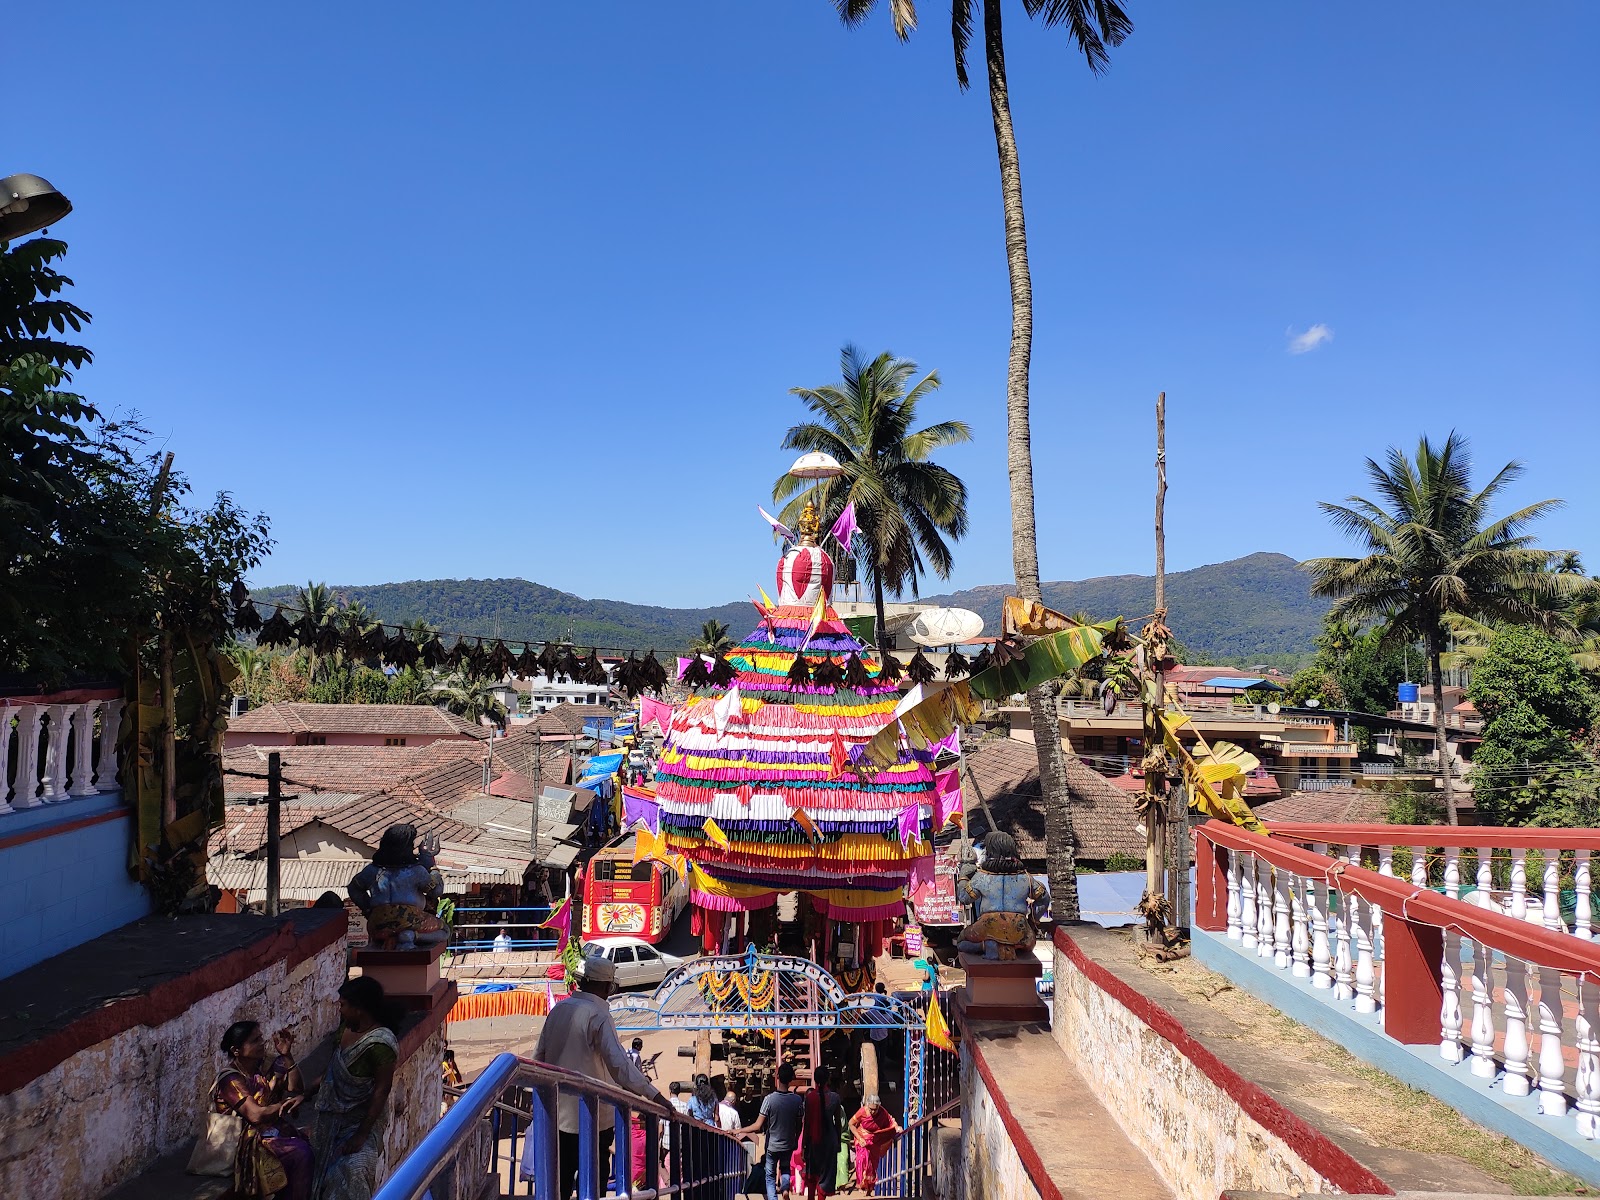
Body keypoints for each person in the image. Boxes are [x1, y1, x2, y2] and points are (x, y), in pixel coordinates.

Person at [525, 954, 666, 1198]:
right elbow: (620, 1066)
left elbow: (539, 1057)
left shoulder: (558, 1010)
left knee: (560, 1179)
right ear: (605, 986)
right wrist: (654, 1095)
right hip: (594, 1118)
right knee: (594, 1182)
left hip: (558, 1115)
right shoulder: (599, 1016)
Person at [309, 976, 401, 1200]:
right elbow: (333, 1072)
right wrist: (303, 1095)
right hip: (330, 1119)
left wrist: (361, 1135)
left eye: (343, 1005)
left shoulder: (380, 1043)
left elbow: (381, 1091)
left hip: (360, 1122)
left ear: (359, 1009)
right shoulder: (345, 1031)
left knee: (354, 1170)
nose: (340, 1010)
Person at [215, 1020, 313, 1200]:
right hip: (246, 1141)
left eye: (260, 1038)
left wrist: (288, 1056)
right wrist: (282, 1105)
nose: (262, 1043)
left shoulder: (266, 1066)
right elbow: (255, 1114)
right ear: (236, 1051)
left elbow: (296, 1088)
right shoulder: (230, 1079)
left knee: (314, 1139)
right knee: (300, 1153)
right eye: (254, 1041)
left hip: (271, 1132)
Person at [955, 832, 1044, 960]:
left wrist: (963, 875)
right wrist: (1032, 921)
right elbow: (1044, 898)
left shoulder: (981, 877)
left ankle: (986, 947)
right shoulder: (1026, 878)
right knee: (1028, 943)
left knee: (961, 942)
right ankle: (1012, 947)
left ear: (990, 851)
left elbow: (964, 898)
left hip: (986, 928)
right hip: (1020, 930)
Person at [737, 1062, 804, 1200]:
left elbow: (757, 1125)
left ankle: (773, 1198)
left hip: (772, 1145)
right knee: (785, 1168)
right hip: (788, 1143)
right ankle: (785, 1189)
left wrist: (738, 1130)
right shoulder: (797, 1100)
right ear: (791, 1079)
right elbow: (799, 1124)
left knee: (770, 1175)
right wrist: (795, 1139)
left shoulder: (769, 1100)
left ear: (777, 1077)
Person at [800, 1065, 843, 1200]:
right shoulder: (835, 1098)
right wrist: (838, 1142)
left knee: (813, 1175)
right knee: (826, 1176)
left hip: (814, 1140)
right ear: (828, 1079)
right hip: (829, 1140)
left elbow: (807, 1123)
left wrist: (803, 1146)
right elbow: (838, 1123)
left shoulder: (810, 1098)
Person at [847, 1095, 901, 1194]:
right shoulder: (862, 1112)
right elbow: (851, 1123)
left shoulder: (882, 1112)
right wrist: (859, 1138)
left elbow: (891, 1121)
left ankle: (869, 1187)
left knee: (872, 1165)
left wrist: (897, 1127)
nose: (873, 1112)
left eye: (875, 1109)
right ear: (867, 1106)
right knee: (862, 1159)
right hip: (862, 1138)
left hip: (875, 1140)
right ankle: (862, 1185)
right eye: (871, 1109)